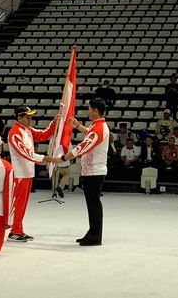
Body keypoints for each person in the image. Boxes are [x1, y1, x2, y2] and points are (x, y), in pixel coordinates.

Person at [61, 98, 110, 246]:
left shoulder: (99, 128)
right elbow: (90, 134)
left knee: (94, 203)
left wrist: (65, 157)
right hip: (92, 171)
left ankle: (95, 235)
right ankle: (93, 232)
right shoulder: (98, 126)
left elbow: (83, 146)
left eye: (89, 109)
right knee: (92, 203)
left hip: (95, 172)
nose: (88, 111)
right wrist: (77, 126)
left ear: (95, 110)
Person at [6, 105, 58, 242]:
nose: (30, 119)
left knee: (22, 204)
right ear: (19, 118)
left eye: (30, 116)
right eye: (27, 117)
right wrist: (43, 158)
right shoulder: (14, 133)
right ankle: (14, 231)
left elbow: (43, 134)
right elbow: (25, 153)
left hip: (27, 172)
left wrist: (54, 123)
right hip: (20, 174)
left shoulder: (27, 130)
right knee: (19, 204)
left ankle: (18, 230)